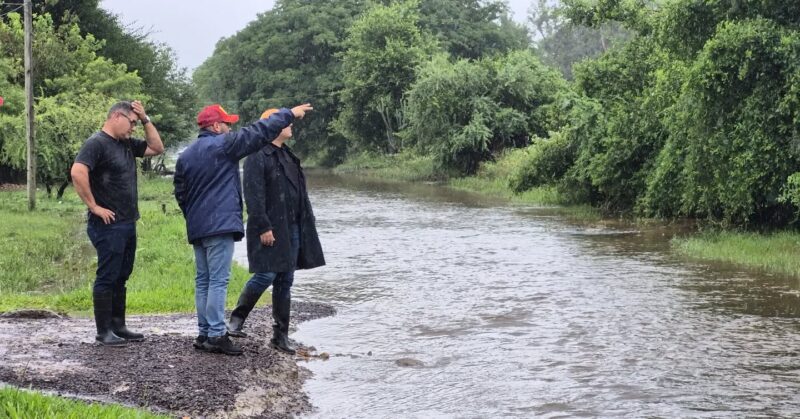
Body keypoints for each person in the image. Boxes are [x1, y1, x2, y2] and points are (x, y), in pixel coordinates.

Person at [174, 103, 313, 356]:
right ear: (216, 126)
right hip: (219, 226)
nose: (230, 129)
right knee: (218, 281)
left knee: (203, 280)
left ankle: (204, 333)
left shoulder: (186, 155)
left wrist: (193, 216)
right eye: (227, 124)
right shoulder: (224, 145)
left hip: (198, 226)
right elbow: (258, 131)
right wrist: (290, 113)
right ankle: (217, 334)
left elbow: (180, 192)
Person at [226, 108, 325, 355]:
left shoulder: (287, 154)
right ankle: (236, 320)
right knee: (266, 274)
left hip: (293, 227)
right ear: (273, 125)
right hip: (270, 228)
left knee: (285, 280)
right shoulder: (257, 154)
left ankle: (281, 336)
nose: (291, 125)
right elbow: (253, 195)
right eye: (286, 122)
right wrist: (263, 226)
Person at [71, 100, 164, 346]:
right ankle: (104, 332)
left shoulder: (126, 143)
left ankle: (118, 326)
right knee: (107, 276)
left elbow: (157, 147)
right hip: (107, 224)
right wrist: (94, 206)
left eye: (136, 123)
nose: (133, 127)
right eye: (131, 122)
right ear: (116, 117)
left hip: (127, 221)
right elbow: (77, 172)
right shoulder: (96, 143)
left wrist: (145, 118)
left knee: (121, 276)